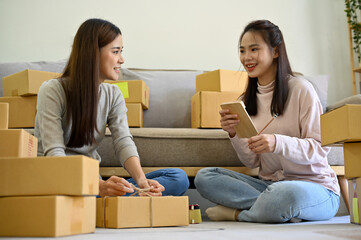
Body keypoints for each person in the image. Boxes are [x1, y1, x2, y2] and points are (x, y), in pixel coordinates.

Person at [195, 20, 340, 223]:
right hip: (269, 186)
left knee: (285, 194)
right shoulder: (244, 101)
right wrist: (234, 134)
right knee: (205, 177)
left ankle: (240, 214)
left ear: (275, 52)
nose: (246, 58)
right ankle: (277, 209)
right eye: (242, 51)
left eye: (254, 49)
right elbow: (252, 161)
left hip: (315, 187)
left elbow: (319, 148)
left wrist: (277, 142)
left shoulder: (301, 90)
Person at [34, 18, 189, 197]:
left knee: (178, 178)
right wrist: (97, 186)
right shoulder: (52, 90)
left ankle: (114, 202)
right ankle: (111, 202)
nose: (121, 59)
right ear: (92, 53)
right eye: (116, 51)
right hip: (59, 182)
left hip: (94, 184)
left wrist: (141, 182)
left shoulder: (113, 94)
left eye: (121, 52)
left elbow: (123, 141)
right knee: (94, 192)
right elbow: (54, 154)